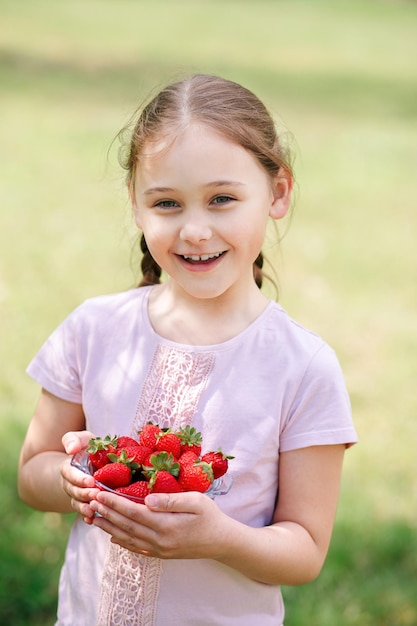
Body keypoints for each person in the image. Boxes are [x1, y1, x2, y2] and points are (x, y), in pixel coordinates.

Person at [18, 74, 358, 626]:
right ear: (136, 205)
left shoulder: (302, 368)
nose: (195, 229)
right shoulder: (94, 329)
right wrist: (71, 479)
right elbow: (32, 471)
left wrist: (219, 538)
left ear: (278, 193)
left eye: (222, 199)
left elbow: (305, 550)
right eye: (167, 203)